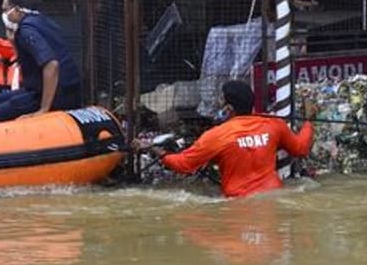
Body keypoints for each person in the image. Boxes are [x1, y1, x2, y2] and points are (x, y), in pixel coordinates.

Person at [134, 80, 314, 199]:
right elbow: (301, 148)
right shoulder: (274, 124)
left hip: (237, 204)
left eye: (221, 101)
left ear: (229, 109)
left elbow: (183, 165)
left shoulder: (216, 136)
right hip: (274, 197)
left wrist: (152, 148)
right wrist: (308, 121)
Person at [0, 0, 83, 125]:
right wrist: (12, 40)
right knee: (3, 98)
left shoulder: (27, 31)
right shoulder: (42, 21)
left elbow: (51, 65)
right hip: (59, 90)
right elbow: (26, 59)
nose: (4, 15)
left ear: (16, 10)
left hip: (55, 95)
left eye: (5, 10)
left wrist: (44, 109)